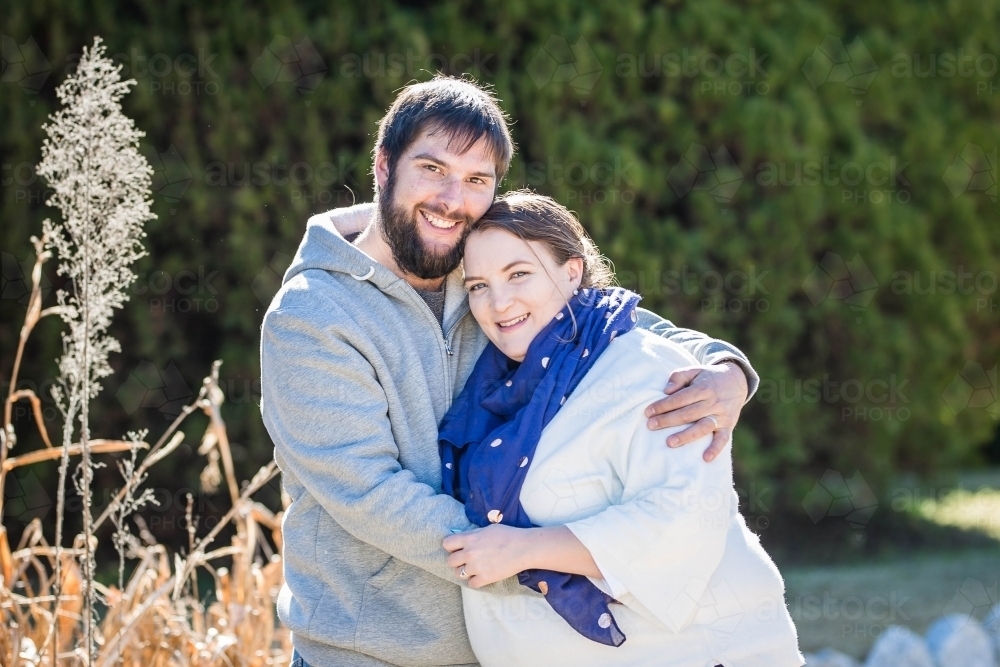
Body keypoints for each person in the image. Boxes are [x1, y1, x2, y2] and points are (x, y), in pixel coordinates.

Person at [261, 76, 762, 667]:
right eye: (432, 168)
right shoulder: (312, 316)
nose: (453, 199)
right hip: (372, 654)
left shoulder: (484, 267)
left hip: (516, 647)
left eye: (476, 180)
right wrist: (539, 553)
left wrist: (724, 369)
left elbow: (603, 322)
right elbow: (371, 492)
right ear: (384, 164)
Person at [440, 191, 803, 667]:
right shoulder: (492, 387)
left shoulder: (646, 371)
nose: (498, 301)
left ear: (572, 271)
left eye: (519, 274)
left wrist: (522, 549)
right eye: (478, 285)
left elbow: (683, 520)